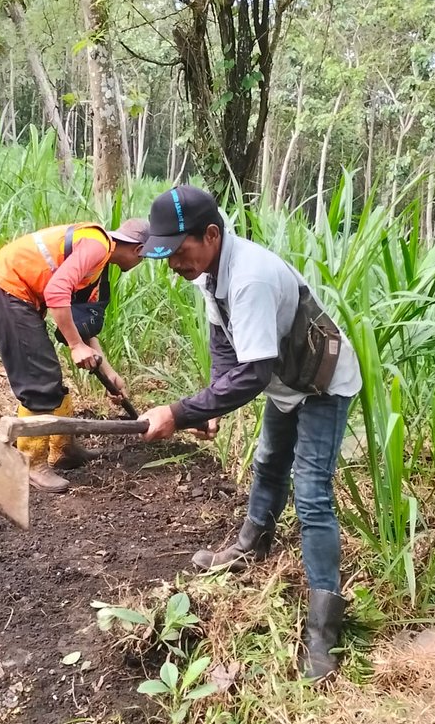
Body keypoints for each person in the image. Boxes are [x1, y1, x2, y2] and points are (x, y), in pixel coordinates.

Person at [137, 186, 361, 680]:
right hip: (285, 380)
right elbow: (224, 340)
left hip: (321, 384)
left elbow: (254, 374)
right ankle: (252, 544)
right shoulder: (207, 273)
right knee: (267, 462)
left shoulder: (250, 278)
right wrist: (210, 402)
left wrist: (179, 412)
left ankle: (324, 627)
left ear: (211, 235)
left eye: (178, 251)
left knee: (312, 494)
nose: (174, 263)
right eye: (166, 254)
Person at [0, 218, 149, 493]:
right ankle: (30, 463)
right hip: (8, 288)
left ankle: (63, 451)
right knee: (39, 378)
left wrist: (109, 373)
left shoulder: (98, 265)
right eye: (146, 257)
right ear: (138, 249)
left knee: (48, 376)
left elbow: (83, 326)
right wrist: (74, 346)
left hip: (18, 293)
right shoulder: (96, 246)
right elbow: (56, 291)